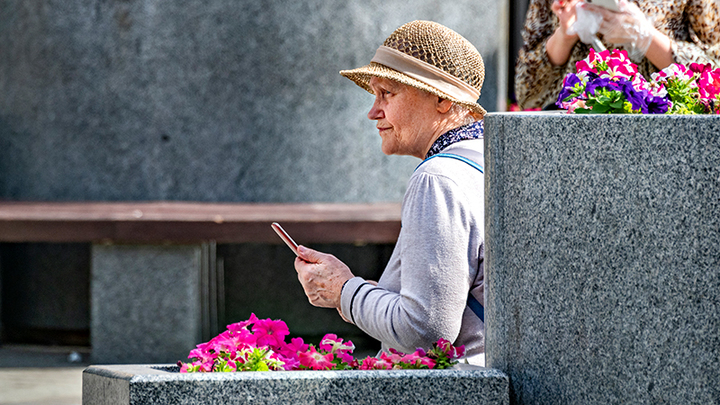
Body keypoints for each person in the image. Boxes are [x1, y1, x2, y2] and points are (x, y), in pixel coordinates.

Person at [293, 20, 486, 364]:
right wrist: (370, 296)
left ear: (442, 99)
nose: (373, 112)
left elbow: (423, 332)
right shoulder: (487, 158)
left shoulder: (438, 178)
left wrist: (343, 290)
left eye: (387, 93)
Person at [515, 0, 720, 110]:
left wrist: (646, 38)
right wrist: (565, 35)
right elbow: (526, 93)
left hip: (659, 128)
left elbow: (713, 73)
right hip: (575, 127)